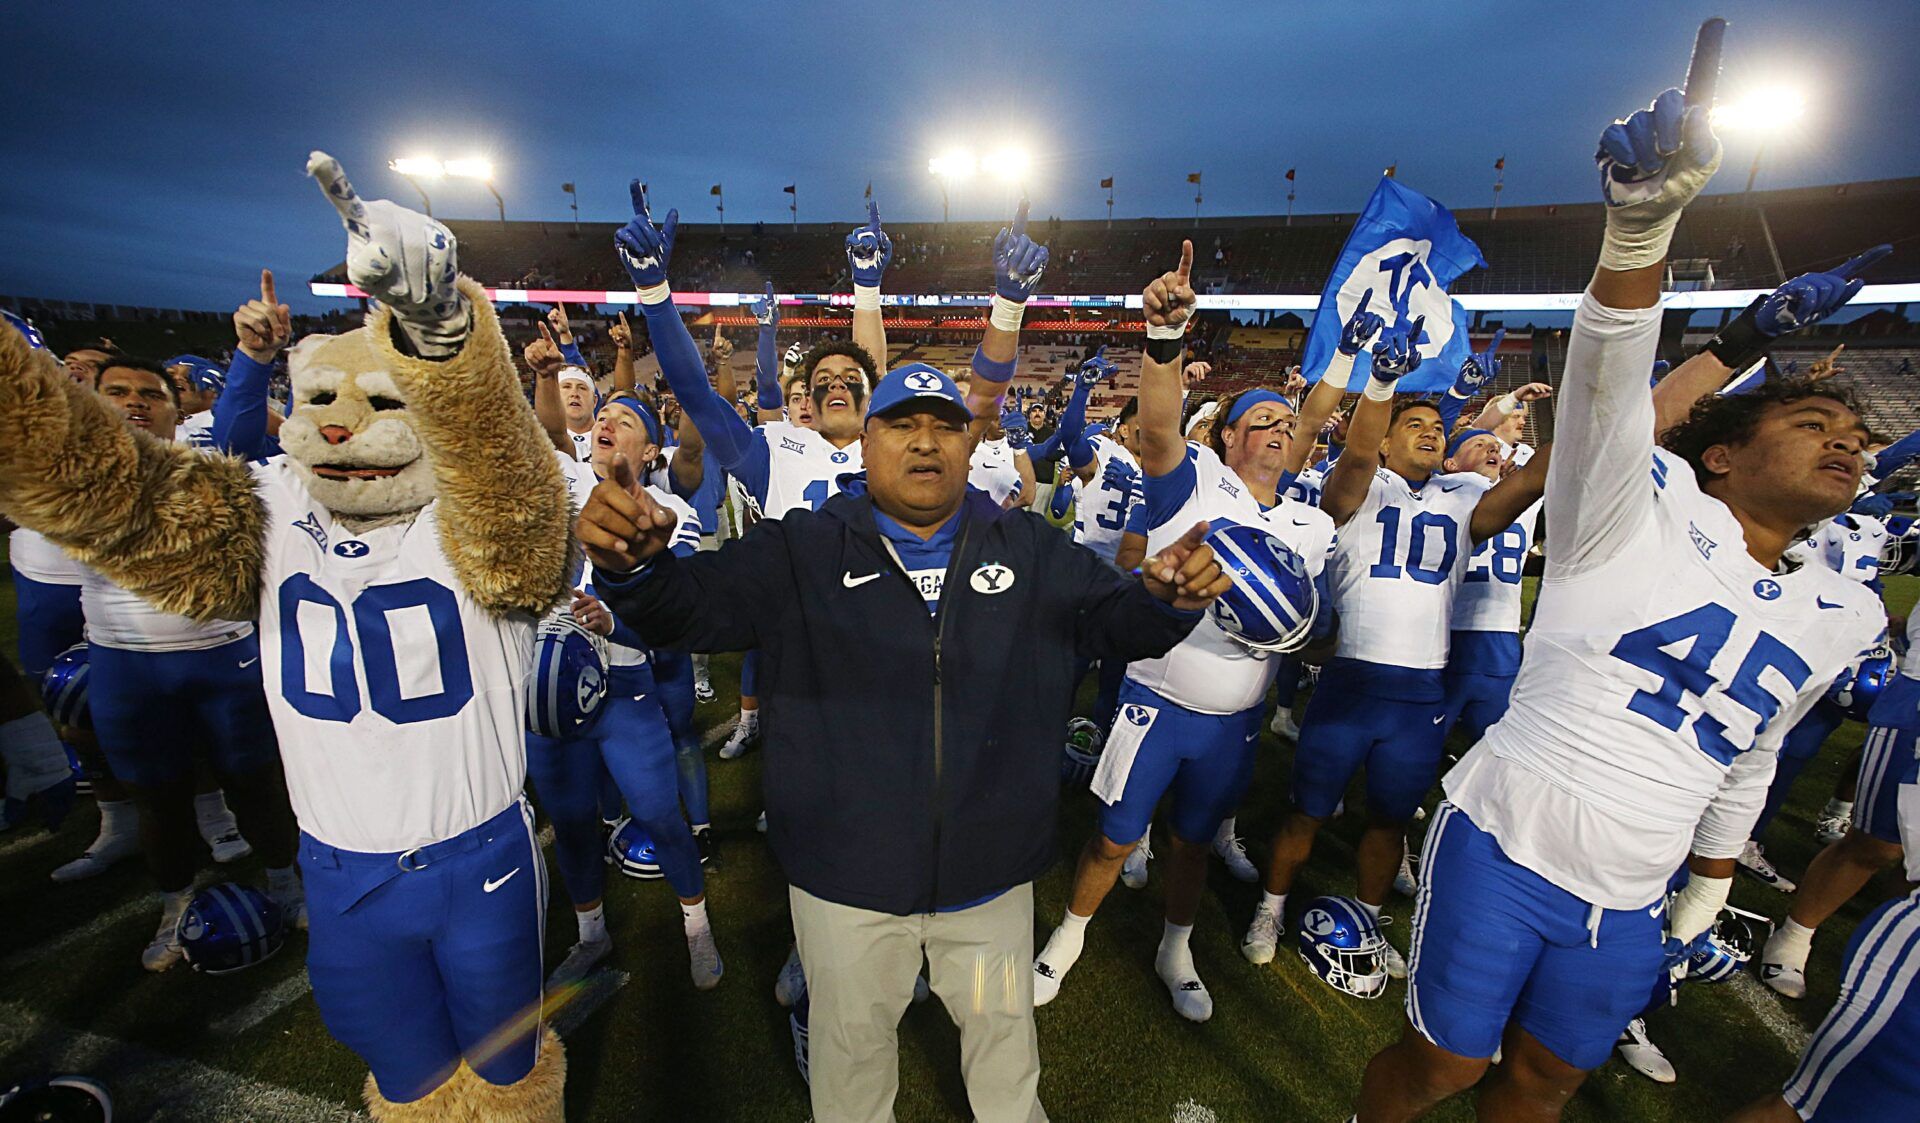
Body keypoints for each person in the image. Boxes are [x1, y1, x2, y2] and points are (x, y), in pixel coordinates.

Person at [576, 238, 1230, 1119]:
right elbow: (692, 608)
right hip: (846, 879)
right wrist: (635, 569)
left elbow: (1116, 626)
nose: (924, 439)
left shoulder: (1026, 544)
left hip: (990, 875)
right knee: (851, 1077)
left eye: (942, 424)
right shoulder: (804, 547)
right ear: (866, 440)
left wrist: (1164, 601)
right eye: (901, 422)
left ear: (970, 441)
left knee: (1005, 1069)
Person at [0, 156, 576, 1119]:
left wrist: (443, 338)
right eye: (324, 405)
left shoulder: (474, 503)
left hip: (476, 851)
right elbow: (121, 499)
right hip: (336, 859)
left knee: (508, 1067)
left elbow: (515, 509)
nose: (344, 429)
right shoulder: (270, 500)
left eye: (382, 403)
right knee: (401, 1067)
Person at [1355, 88, 1886, 1122]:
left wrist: (1706, 889)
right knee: (1446, 1066)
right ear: (1721, 455)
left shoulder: (1846, 609)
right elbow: (1606, 389)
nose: (1845, 444)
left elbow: (1754, 750)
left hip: (1634, 891)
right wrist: (1641, 227)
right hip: (1509, 836)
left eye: (1856, 439)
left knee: (1549, 1079)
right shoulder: (1638, 511)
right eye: (1816, 420)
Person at [1032, 241, 1336, 1022]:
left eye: (1283, 423)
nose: (1275, 431)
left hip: (1236, 715)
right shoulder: (1200, 476)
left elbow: (1306, 623)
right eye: (1259, 421)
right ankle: (1068, 937)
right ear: (1230, 437)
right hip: (1157, 697)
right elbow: (1160, 428)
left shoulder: (1307, 519)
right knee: (1112, 836)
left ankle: (1175, 945)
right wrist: (1163, 341)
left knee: (1195, 841)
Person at [1249, 292, 1548, 983]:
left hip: (1421, 690)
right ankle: (1271, 905)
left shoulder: (1466, 497)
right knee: (1307, 811)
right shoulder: (1358, 482)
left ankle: (1370, 913)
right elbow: (1353, 458)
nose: (1429, 433)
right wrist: (1380, 382)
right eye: (1412, 424)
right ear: (1384, 437)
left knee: (1390, 820)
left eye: (1436, 427)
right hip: (1352, 679)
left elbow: (1533, 479)